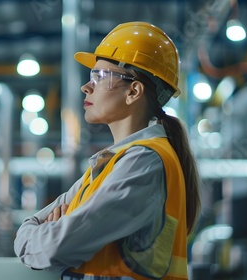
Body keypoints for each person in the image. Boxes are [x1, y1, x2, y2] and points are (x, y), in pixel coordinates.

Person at [14, 21, 201, 280]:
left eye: (100, 77)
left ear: (133, 91)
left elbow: (54, 248)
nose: (86, 87)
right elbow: (27, 228)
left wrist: (50, 233)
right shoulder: (109, 166)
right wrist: (48, 233)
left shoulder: (144, 162)